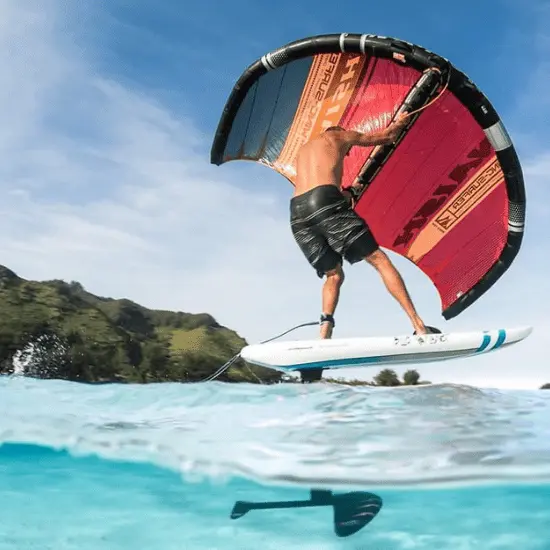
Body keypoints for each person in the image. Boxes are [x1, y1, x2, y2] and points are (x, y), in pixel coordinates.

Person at [291, 114, 439, 339]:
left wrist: (347, 193)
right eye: (348, 151)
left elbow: (314, 190)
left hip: (297, 213)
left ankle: (323, 335)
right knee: (379, 260)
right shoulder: (339, 135)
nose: (347, 154)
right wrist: (401, 120)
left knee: (333, 274)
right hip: (325, 200)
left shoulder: (304, 151)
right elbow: (388, 137)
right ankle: (419, 326)